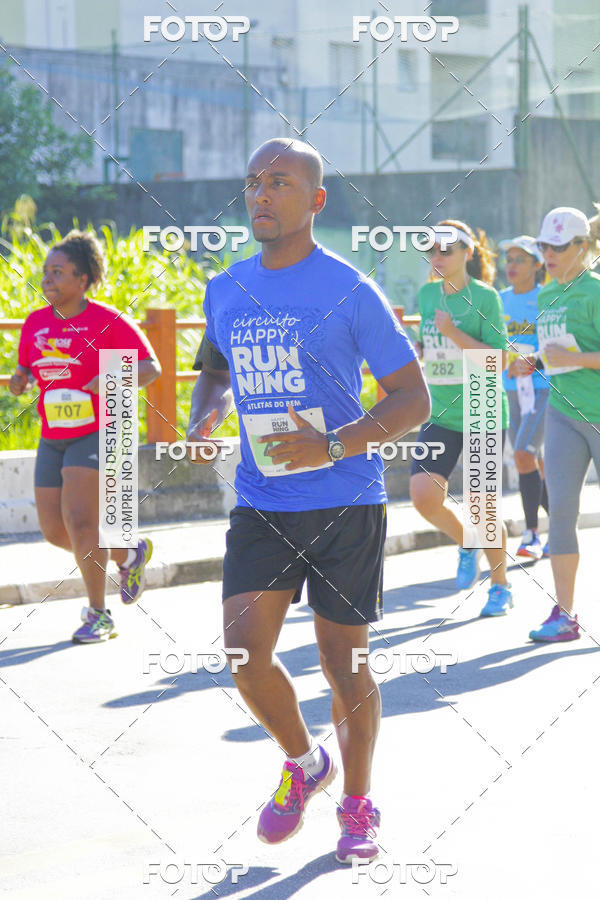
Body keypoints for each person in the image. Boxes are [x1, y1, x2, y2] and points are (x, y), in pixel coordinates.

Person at [186, 137, 430, 863]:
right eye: (254, 181)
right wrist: (208, 409)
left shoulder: (351, 288)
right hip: (262, 500)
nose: (261, 194)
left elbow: (411, 398)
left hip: (345, 501)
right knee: (242, 652)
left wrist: (333, 444)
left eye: (280, 182)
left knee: (344, 663)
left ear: (315, 200)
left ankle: (357, 804)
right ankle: (304, 762)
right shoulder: (228, 286)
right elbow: (214, 369)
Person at [9, 230, 161, 643]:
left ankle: (99, 614)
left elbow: (152, 368)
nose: (48, 279)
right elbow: (25, 369)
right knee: (56, 531)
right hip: (52, 434)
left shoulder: (108, 321)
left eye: (58, 272)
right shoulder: (36, 323)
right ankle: (128, 553)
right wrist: (20, 379)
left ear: (83, 279)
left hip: (98, 431)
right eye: (45, 272)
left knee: (80, 520)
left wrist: (110, 377)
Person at [409, 219, 512, 616]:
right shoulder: (425, 294)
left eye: (445, 250)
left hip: (483, 409)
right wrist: (425, 345)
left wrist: (451, 333)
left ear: (467, 254)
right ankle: (467, 541)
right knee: (423, 496)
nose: (436, 257)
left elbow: (497, 361)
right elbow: (431, 345)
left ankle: (501, 586)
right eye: (431, 250)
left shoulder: (485, 298)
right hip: (441, 411)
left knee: (482, 508)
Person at [528, 206, 600, 642]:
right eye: (543, 246)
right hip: (562, 413)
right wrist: (533, 362)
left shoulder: (595, 292)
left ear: (582, 248)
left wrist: (573, 360)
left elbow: (570, 355)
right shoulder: (542, 296)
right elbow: (552, 353)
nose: (548, 254)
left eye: (557, 247)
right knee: (561, 514)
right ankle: (564, 615)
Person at [498, 236, 549, 560]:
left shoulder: (547, 298)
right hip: (509, 392)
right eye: (509, 259)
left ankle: (532, 534)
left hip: (543, 390)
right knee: (531, 461)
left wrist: (535, 361)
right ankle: (560, 523)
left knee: (521, 454)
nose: (512, 265)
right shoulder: (497, 299)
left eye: (520, 259)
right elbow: (490, 340)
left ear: (537, 264)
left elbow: (558, 340)